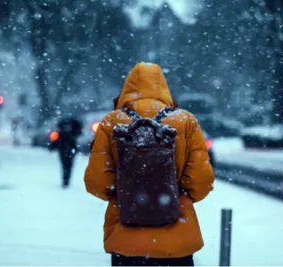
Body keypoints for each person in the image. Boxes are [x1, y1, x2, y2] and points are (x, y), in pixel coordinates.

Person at [84, 62, 215, 266]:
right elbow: (202, 182)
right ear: (163, 88)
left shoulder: (111, 123)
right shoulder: (185, 121)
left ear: (127, 89)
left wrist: (126, 195)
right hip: (177, 242)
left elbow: (96, 182)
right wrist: (174, 196)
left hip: (125, 241)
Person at [50, 118, 82, 188]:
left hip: (64, 150)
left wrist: (52, 147)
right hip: (69, 150)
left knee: (65, 165)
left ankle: (65, 180)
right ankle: (66, 180)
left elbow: (56, 141)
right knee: (68, 166)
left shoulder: (62, 131)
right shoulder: (73, 131)